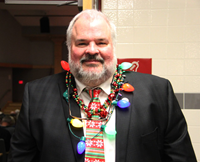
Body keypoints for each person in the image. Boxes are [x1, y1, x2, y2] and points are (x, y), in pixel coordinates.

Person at [8, 9, 197, 162]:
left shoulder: (157, 92)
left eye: (101, 42)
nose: (92, 50)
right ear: (69, 48)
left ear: (113, 47)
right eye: (81, 43)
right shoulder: (36, 95)